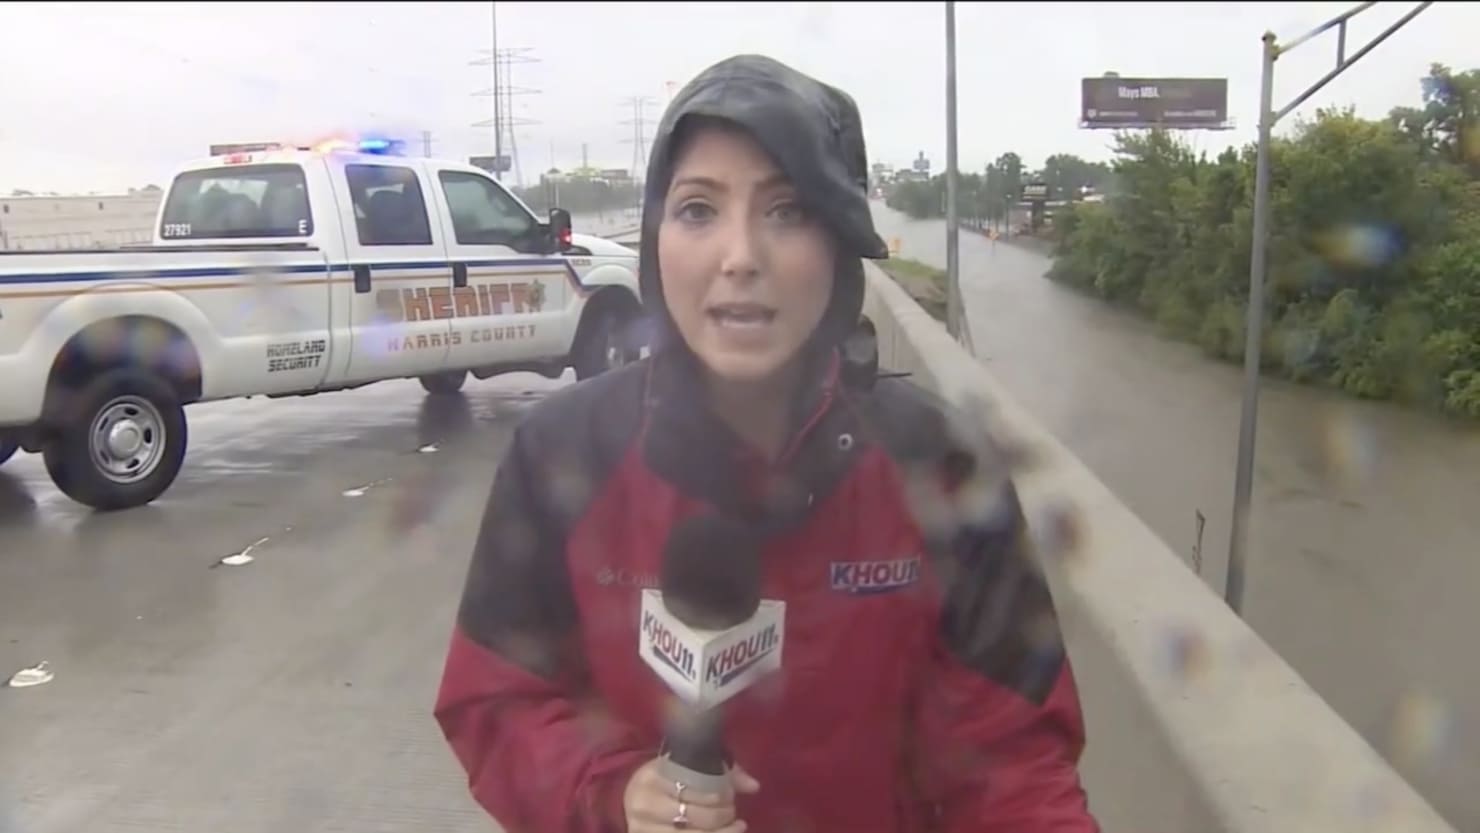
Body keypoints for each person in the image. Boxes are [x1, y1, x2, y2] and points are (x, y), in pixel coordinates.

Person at [434, 53, 1100, 833]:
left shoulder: (940, 464)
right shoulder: (561, 452)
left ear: (841, 246)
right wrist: (609, 794)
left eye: (787, 211)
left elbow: (1013, 766)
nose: (740, 256)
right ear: (655, 242)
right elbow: (495, 699)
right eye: (696, 210)